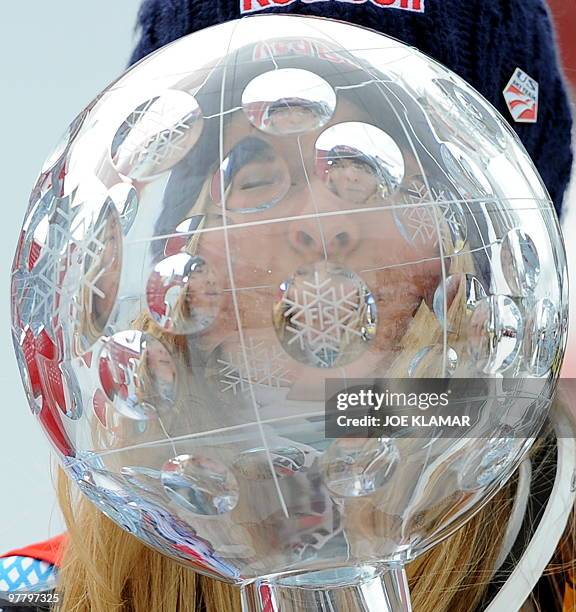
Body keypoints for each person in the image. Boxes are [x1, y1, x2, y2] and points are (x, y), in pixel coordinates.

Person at [2, 1, 574, 611]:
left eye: (375, 174)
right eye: (256, 176)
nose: (318, 224)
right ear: (184, 253)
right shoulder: (34, 594)